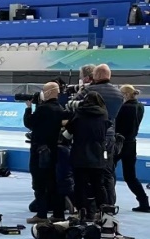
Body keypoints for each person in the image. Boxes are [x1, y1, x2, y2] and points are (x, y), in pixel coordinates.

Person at [24, 82, 68, 224]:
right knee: (53, 183)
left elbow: (29, 123)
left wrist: (28, 108)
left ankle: (41, 214)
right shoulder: (60, 108)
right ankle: (58, 214)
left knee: (39, 183)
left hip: (39, 151)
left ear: (48, 93)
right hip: (53, 150)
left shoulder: (43, 109)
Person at [81, 64, 123, 205]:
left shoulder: (89, 91)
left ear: (97, 76)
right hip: (109, 137)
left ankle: (91, 204)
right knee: (108, 171)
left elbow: (75, 107)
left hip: (91, 138)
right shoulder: (118, 94)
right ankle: (109, 204)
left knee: (90, 172)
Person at [65, 92, 109, 221]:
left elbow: (69, 129)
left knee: (80, 185)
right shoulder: (104, 114)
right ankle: (103, 212)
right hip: (98, 153)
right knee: (99, 185)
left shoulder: (79, 113)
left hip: (80, 153)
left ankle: (82, 212)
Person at [116, 85, 150, 212]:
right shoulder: (140, 106)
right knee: (130, 176)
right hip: (131, 144)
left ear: (125, 94)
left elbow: (117, 125)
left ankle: (107, 201)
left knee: (108, 173)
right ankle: (144, 201)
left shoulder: (124, 108)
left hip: (119, 143)